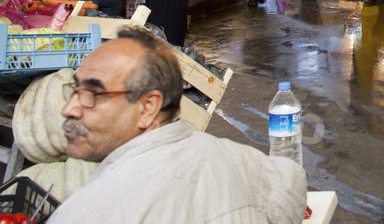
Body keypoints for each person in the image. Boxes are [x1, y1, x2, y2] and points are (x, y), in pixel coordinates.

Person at [50, 27, 306, 223]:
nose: (69, 108)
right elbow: (291, 179)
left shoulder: (84, 212)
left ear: (148, 107)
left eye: (92, 94)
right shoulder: (240, 157)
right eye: (74, 90)